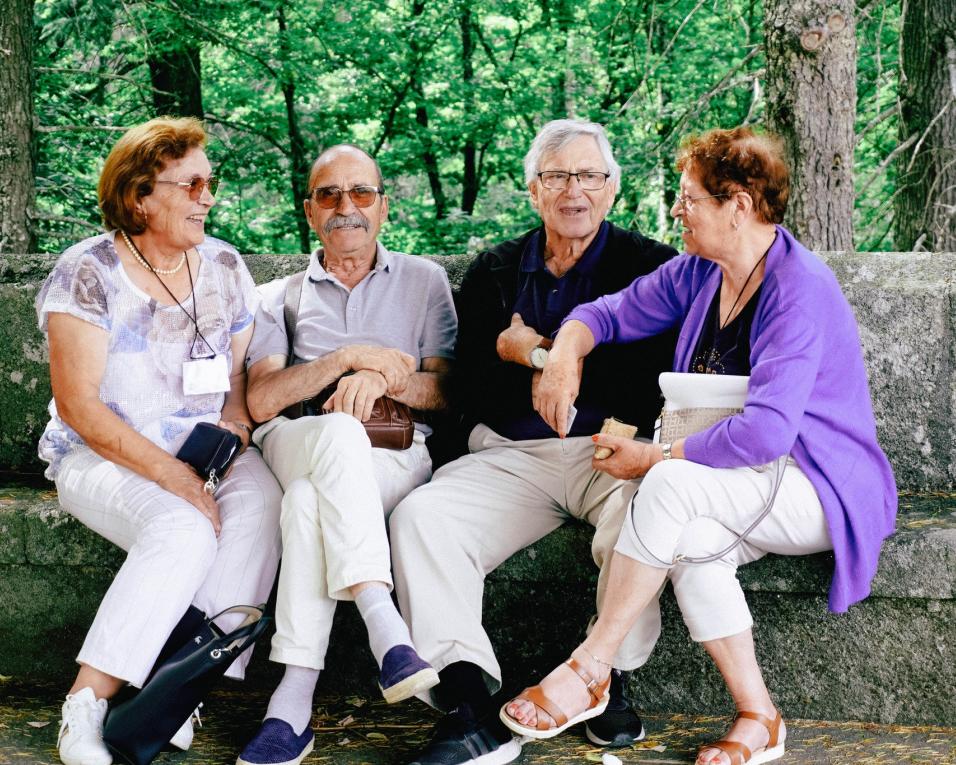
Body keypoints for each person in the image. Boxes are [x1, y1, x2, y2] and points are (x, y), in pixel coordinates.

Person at [498, 126, 898, 765]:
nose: (676, 211)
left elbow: (768, 431)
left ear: (738, 206)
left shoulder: (800, 290)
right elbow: (609, 312)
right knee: (687, 544)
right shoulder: (702, 272)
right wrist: (564, 351)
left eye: (689, 199)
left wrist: (654, 457)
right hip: (738, 476)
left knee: (667, 485)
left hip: (817, 482)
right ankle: (759, 716)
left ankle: (591, 665)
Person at [388, 119, 678, 765]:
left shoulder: (652, 265)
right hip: (511, 455)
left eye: (589, 175)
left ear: (611, 190)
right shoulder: (495, 270)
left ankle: (604, 674)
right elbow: (477, 384)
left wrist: (534, 351)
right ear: (533, 189)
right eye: (557, 176)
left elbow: (647, 376)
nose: (573, 190)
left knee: (648, 509)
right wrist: (541, 356)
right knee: (421, 517)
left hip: (612, 447)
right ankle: (467, 696)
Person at [37, 117, 283, 765]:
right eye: (192, 183)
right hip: (101, 454)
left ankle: (174, 689)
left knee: (262, 506)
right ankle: (86, 702)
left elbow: (233, 380)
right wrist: (178, 479)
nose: (209, 196)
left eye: (212, 182)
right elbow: (79, 406)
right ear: (141, 195)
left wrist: (233, 427)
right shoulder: (87, 271)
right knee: (186, 530)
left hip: (203, 451)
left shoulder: (226, 266)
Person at [235, 144, 457, 765]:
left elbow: (447, 393)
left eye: (361, 193)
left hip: (393, 453)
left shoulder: (424, 282)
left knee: (308, 505)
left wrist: (382, 382)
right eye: (329, 196)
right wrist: (345, 362)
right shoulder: (275, 294)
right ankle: (384, 625)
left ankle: (292, 700)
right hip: (297, 442)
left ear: (383, 206)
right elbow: (260, 402)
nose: (346, 208)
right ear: (310, 211)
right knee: (333, 434)